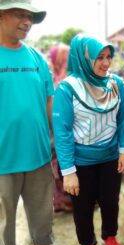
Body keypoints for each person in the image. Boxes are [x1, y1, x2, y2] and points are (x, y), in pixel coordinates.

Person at [52, 34, 124, 245]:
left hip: (110, 158)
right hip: (80, 163)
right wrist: (68, 171)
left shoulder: (116, 84)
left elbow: (123, 119)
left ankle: (110, 235)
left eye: (108, 57)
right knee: (83, 207)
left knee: (110, 202)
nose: (106, 63)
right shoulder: (67, 88)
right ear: (83, 58)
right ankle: (88, 244)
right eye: (99, 57)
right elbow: (63, 132)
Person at [0, 1, 54, 245]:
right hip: (3, 162)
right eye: (20, 14)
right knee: (2, 229)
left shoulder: (38, 59)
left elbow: (49, 103)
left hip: (38, 158)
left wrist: (62, 139)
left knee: (43, 225)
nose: (27, 22)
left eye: (30, 16)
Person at [48, 43, 73, 213]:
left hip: (58, 131)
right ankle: (63, 201)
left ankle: (62, 201)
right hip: (59, 131)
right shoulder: (59, 80)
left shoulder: (59, 80)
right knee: (60, 165)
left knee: (60, 165)